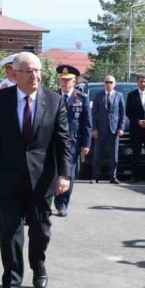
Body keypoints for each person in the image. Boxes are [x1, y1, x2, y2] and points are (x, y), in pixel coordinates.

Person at [0, 52, 72, 288]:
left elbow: (63, 141)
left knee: (40, 230)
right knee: (9, 231)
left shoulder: (53, 101)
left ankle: (38, 266)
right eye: (28, 71)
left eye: (38, 71)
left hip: (42, 179)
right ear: (14, 74)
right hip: (8, 177)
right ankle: (12, 284)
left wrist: (65, 174)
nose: (35, 76)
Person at [53, 65, 92, 216]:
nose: (64, 82)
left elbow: (87, 123)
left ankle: (63, 204)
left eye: (67, 80)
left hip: (73, 143)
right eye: (62, 79)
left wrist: (86, 144)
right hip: (54, 142)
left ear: (74, 81)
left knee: (68, 174)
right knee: (55, 173)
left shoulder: (81, 98)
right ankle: (56, 200)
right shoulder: (54, 96)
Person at [90, 75, 127, 184]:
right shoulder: (98, 96)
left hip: (114, 129)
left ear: (114, 84)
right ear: (104, 83)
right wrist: (94, 129)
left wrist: (121, 127)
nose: (108, 84)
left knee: (113, 155)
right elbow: (93, 114)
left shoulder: (119, 96)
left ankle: (113, 176)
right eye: (106, 82)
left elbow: (122, 113)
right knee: (97, 154)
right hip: (100, 129)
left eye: (111, 82)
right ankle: (95, 176)